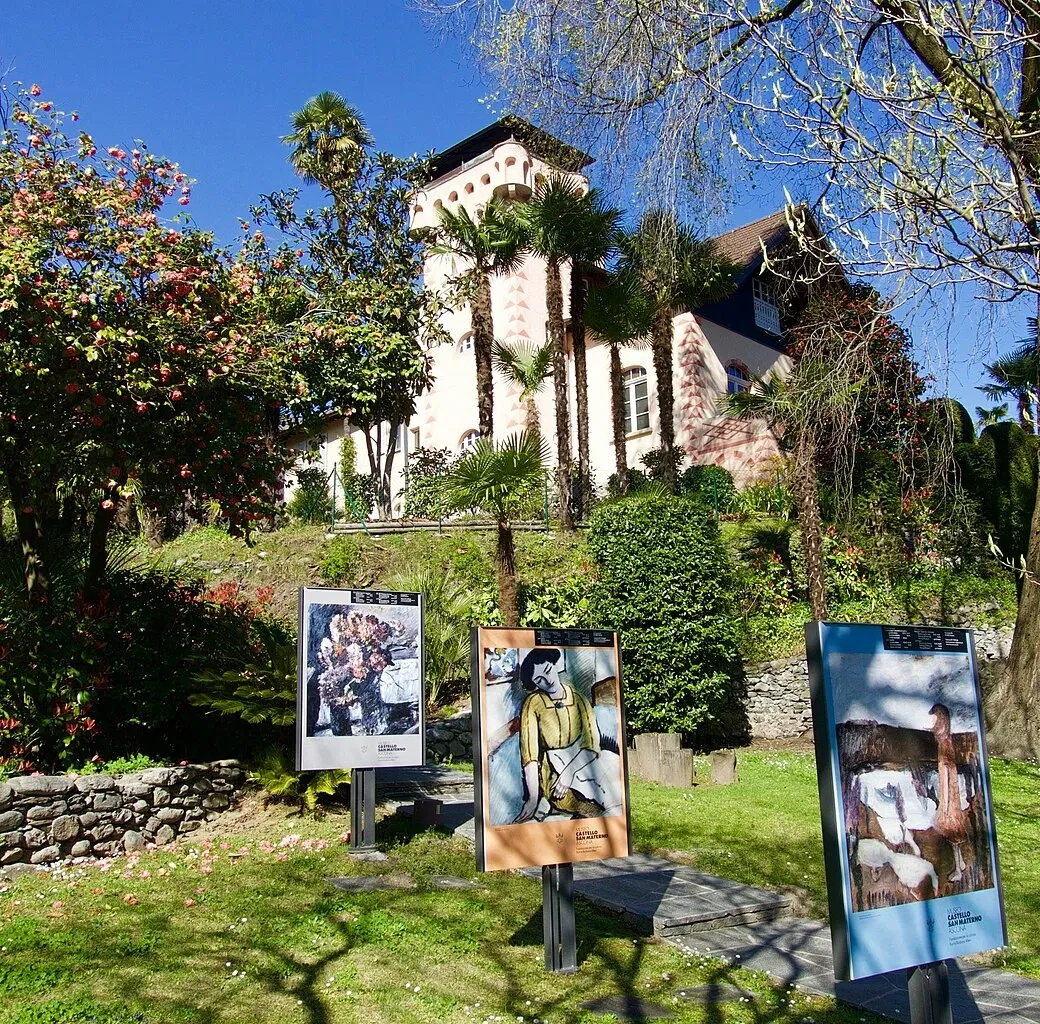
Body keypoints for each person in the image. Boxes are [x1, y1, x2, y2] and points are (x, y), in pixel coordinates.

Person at [513, 648, 605, 822]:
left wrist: (569, 772)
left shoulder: (578, 698)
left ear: (555, 665)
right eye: (539, 679)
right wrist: (532, 798)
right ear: (534, 683)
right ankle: (544, 801)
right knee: (572, 801)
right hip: (552, 768)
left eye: (548, 670)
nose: (547, 680)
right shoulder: (532, 704)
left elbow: (592, 741)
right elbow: (530, 754)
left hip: (584, 761)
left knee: (607, 795)